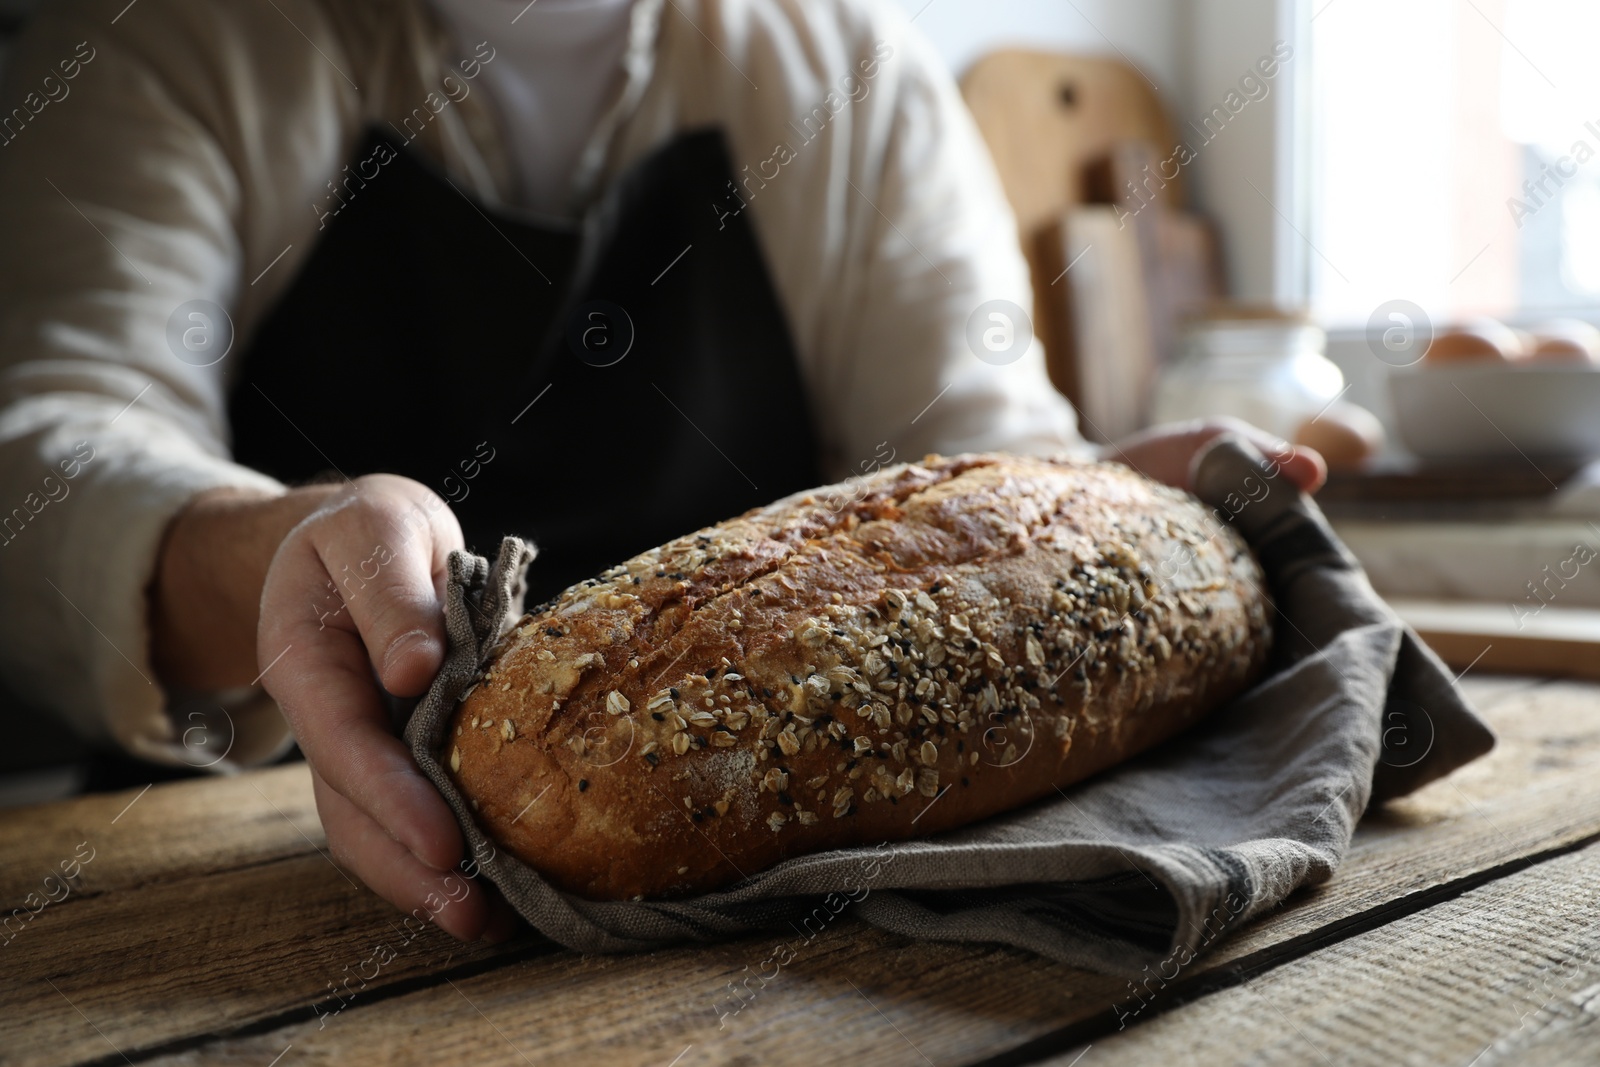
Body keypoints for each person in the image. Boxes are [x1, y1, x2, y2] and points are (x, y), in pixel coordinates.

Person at [0, 0, 1323, 942]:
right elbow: (46, 447)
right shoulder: (169, 37)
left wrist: (1090, 495)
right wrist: (267, 545)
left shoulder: (845, 64)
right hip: (220, 880)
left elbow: (972, 450)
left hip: (776, 920)